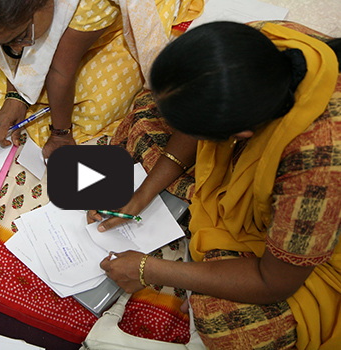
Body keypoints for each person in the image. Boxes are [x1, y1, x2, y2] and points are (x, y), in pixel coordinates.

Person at [89, 21, 341, 349]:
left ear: (240, 137)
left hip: (309, 238)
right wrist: (141, 196)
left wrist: (149, 269)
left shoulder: (318, 167)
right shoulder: (258, 42)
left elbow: (275, 282)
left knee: (231, 327)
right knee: (149, 110)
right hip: (263, 159)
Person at [0, 0, 203, 158]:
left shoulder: (91, 4)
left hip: (105, 24)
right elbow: (11, 42)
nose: (18, 49)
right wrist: (15, 95)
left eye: (20, 37)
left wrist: (61, 134)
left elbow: (60, 69)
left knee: (97, 104)